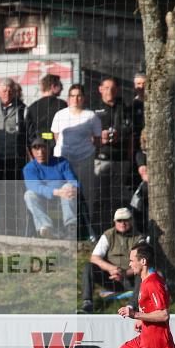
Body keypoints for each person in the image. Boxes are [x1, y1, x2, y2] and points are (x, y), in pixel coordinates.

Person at [51, 83, 102, 237]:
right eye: (72, 95)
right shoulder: (60, 114)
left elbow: (97, 139)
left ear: (83, 98)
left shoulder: (91, 116)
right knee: (67, 192)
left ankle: (87, 229)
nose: (76, 98)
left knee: (86, 194)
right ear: (68, 98)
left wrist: (91, 153)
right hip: (64, 160)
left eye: (79, 95)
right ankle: (69, 228)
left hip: (85, 159)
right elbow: (55, 135)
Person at [80, 207, 143, 314]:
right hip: (110, 278)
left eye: (126, 220)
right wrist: (112, 269)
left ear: (131, 220)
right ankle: (87, 303)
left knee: (143, 273)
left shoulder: (139, 238)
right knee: (88, 266)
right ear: (114, 222)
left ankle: (132, 305)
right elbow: (94, 258)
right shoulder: (108, 235)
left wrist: (126, 273)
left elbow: (142, 262)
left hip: (131, 279)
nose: (122, 223)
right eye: (119, 220)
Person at [92, 77, 134, 225]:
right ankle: (98, 227)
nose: (110, 91)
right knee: (99, 196)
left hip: (120, 159)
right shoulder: (93, 108)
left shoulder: (124, 107)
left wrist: (118, 135)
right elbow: (86, 133)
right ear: (100, 89)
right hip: (100, 160)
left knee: (118, 198)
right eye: (107, 88)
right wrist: (99, 137)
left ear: (118, 90)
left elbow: (130, 130)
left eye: (113, 88)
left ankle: (117, 226)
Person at [23, 137, 79, 239]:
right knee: (29, 195)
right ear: (32, 151)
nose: (40, 153)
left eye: (43, 148)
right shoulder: (29, 168)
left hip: (64, 196)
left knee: (68, 186)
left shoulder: (62, 162)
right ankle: (46, 228)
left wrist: (74, 187)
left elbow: (72, 179)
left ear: (49, 149)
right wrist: (56, 192)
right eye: (36, 149)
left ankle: (71, 227)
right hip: (44, 198)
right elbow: (35, 186)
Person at [25, 73, 66, 155]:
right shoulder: (62, 105)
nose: (62, 88)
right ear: (53, 86)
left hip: (38, 149)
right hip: (59, 148)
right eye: (60, 85)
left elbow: (28, 132)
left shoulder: (32, 107)